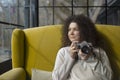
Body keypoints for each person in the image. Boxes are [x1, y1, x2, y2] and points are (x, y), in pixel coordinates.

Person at [52, 14, 113, 80]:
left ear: (84, 31)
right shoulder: (63, 52)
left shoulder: (99, 51)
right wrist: (71, 57)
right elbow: (56, 78)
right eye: (69, 30)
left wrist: (90, 58)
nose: (71, 33)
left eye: (75, 29)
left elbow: (109, 77)